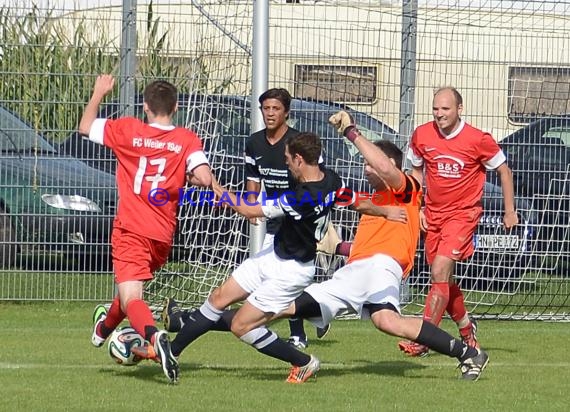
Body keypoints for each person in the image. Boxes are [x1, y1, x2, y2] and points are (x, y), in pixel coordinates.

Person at [271, 110, 488, 381]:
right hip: (353, 272)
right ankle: (223, 320)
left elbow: (386, 169)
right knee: (278, 307)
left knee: (386, 321)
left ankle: (468, 353)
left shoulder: (406, 192)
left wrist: (352, 132)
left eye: (370, 164)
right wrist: (333, 247)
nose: (367, 168)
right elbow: (361, 247)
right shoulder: (371, 202)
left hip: (382, 268)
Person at [134, 132, 345, 381]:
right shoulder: (332, 179)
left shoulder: (298, 198)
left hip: (292, 272)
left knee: (241, 326)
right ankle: (170, 352)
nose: (286, 163)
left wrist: (213, 184)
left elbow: (247, 209)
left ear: (299, 159)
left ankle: (304, 362)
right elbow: (344, 198)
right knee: (218, 297)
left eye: (288, 158)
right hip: (273, 255)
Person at [162, 88, 328, 349]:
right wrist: (250, 204)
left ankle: (303, 328)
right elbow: (253, 179)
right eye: (266, 108)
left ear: (287, 112)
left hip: (294, 221)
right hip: (274, 220)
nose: (270, 113)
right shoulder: (254, 143)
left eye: (276, 109)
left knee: (267, 296)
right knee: (245, 292)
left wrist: (223, 193)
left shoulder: (299, 145)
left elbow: (316, 179)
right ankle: (309, 319)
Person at [81, 75, 213, 384]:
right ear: (176, 107)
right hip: (162, 232)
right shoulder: (186, 139)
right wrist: (186, 177)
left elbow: (85, 126)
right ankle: (103, 330)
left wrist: (99, 92)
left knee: (131, 297)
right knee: (130, 290)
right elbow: (205, 178)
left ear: (145, 106)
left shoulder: (129, 129)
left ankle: (154, 337)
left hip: (131, 227)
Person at [398, 87, 518, 357]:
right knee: (444, 280)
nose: (439, 114)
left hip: (463, 215)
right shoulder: (422, 135)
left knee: (440, 270)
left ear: (459, 109)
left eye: (446, 109)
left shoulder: (478, 139)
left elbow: (504, 170)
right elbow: (416, 171)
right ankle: (466, 330)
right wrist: (418, 207)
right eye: (436, 108)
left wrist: (509, 211)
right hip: (434, 215)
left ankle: (424, 338)